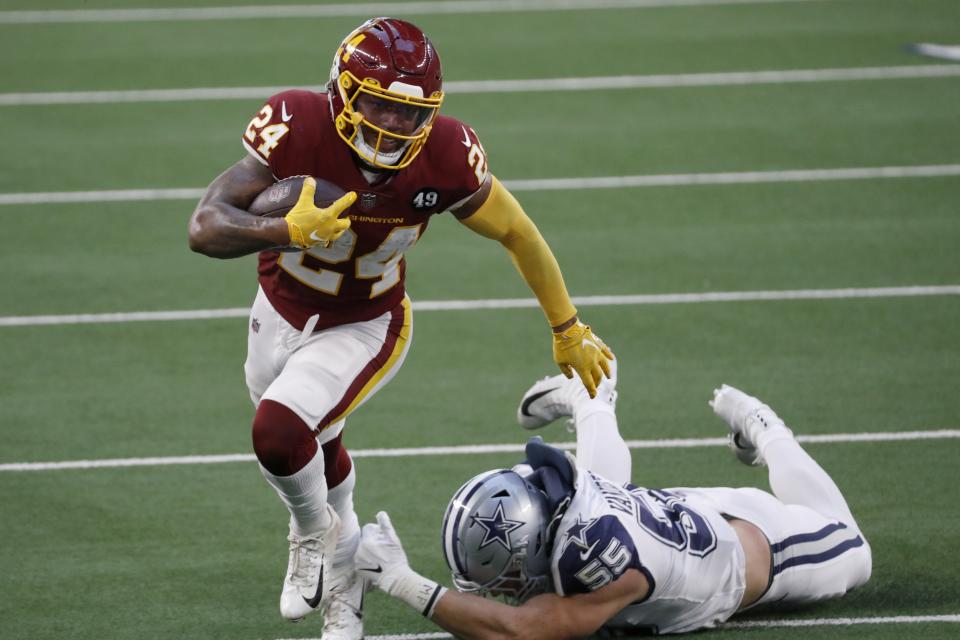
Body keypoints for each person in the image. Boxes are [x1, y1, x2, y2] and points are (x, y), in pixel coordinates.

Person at [187, 16, 613, 640]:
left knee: (279, 432)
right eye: (379, 107)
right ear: (342, 92)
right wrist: (285, 229)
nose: (395, 126)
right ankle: (347, 580)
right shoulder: (297, 122)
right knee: (313, 446)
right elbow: (203, 228)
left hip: (367, 324)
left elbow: (518, 232)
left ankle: (310, 534)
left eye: (409, 114)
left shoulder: (444, 154)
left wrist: (566, 325)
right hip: (277, 309)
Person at [356, 362, 873, 638]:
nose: (505, 589)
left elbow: (519, 632)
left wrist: (406, 584)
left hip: (756, 552)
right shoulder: (537, 489)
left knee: (854, 552)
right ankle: (591, 393)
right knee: (601, 482)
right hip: (670, 515)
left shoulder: (595, 565)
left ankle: (766, 429)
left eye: (508, 574)